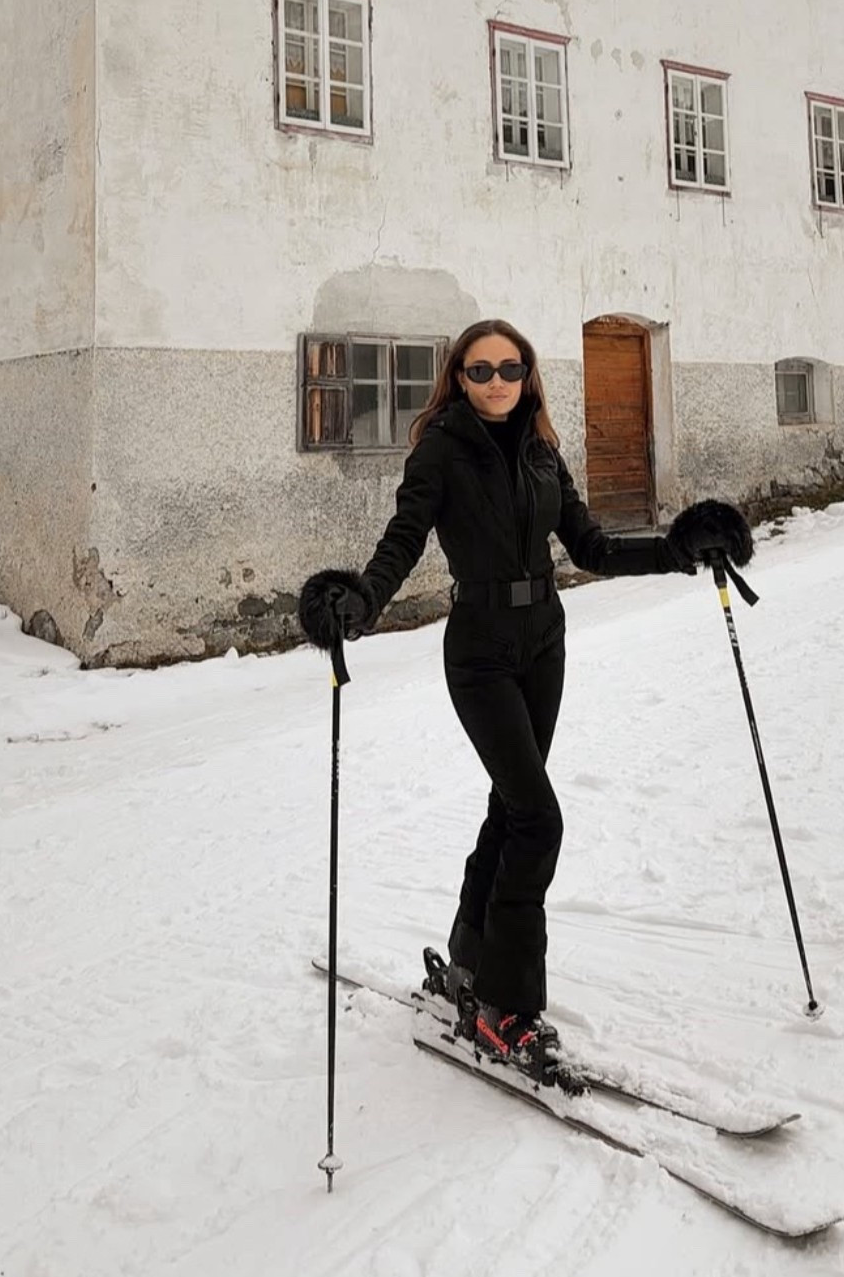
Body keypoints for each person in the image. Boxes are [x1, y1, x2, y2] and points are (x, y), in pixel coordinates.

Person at [298, 318, 750, 1081]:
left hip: (543, 638)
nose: (498, 381)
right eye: (481, 370)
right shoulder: (440, 449)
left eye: (511, 367)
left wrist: (678, 549)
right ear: (459, 377)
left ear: (528, 374)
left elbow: (592, 547)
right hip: (477, 648)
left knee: (511, 807)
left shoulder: (542, 449)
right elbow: (403, 538)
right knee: (538, 818)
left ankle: (473, 956)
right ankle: (506, 1008)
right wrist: (360, 600)